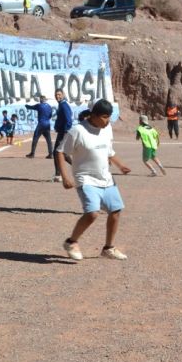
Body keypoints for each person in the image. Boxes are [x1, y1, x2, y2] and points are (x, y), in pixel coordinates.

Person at [58, 99, 131, 262]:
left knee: (116, 211)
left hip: (106, 179)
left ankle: (108, 248)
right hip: (86, 179)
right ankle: (71, 242)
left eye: (109, 117)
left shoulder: (105, 130)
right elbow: (61, 152)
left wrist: (121, 165)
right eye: (104, 117)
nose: (107, 121)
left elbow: (109, 152)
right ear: (94, 115)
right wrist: (65, 177)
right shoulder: (77, 131)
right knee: (92, 213)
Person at [52, 90, 73, 182]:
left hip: (63, 132)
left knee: (56, 152)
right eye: (56, 95)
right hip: (62, 132)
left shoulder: (64, 105)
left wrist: (65, 131)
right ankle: (78, 167)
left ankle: (58, 175)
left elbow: (69, 120)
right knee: (62, 153)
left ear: (63, 95)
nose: (57, 96)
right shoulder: (61, 104)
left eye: (59, 94)